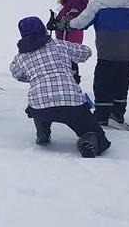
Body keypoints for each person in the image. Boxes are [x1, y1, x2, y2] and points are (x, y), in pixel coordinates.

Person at [56, 0, 129, 126]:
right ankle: (118, 114)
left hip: (107, 53)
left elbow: (80, 23)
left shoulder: (97, 3)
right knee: (121, 84)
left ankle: (102, 117)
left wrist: (64, 23)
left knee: (103, 84)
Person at [10, 16, 110, 157]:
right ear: (43, 29)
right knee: (92, 131)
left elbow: (17, 74)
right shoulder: (60, 45)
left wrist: (35, 77)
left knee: (38, 101)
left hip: (40, 106)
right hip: (71, 102)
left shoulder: (20, 57)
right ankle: (88, 141)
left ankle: (43, 131)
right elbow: (86, 52)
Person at [46, 0, 89, 83]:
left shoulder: (75, 0)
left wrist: (57, 24)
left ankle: (72, 87)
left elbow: (72, 20)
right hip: (66, 41)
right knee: (66, 66)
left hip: (70, 40)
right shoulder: (69, 0)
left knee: (69, 66)